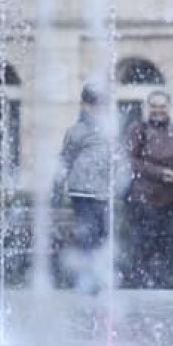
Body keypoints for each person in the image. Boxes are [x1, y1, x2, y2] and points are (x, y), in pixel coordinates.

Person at [126, 90, 173, 287]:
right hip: (144, 198)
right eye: (154, 106)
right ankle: (140, 285)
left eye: (162, 106)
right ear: (148, 108)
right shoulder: (138, 130)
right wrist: (159, 172)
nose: (158, 110)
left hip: (171, 199)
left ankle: (162, 285)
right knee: (143, 245)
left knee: (167, 245)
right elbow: (132, 160)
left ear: (168, 108)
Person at [57, 82, 111, 295]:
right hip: (82, 191)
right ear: (83, 105)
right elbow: (65, 159)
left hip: (102, 191)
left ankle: (95, 274)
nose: (94, 109)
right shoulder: (76, 131)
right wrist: (57, 186)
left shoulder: (108, 130)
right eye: (91, 104)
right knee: (89, 233)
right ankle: (88, 278)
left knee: (102, 233)